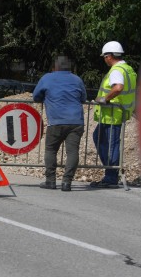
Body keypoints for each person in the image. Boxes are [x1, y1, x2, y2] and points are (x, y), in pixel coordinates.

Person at [33, 55, 87, 192]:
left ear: (55, 67)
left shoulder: (47, 78)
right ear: (69, 67)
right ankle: (67, 182)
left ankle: (50, 181)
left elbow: (36, 96)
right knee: (72, 151)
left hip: (56, 121)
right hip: (76, 121)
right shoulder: (77, 79)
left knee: (51, 150)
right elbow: (83, 98)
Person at [91, 41, 137, 188]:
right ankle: (112, 170)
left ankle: (111, 176)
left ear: (109, 56)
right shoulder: (128, 69)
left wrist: (105, 99)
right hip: (116, 113)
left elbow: (118, 88)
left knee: (111, 145)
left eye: (105, 57)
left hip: (113, 113)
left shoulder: (117, 70)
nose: (104, 60)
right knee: (100, 138)